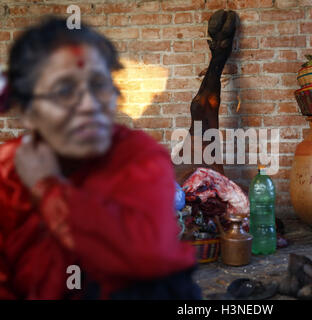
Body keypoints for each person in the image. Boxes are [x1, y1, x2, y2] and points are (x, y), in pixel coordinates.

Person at [0, 17, 201, 300]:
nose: (89, 105)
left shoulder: (138, 155)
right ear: (27, 113)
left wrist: (47, 188)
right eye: (64, 90)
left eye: (99, 85)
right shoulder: (7, 173)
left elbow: (147, 254)